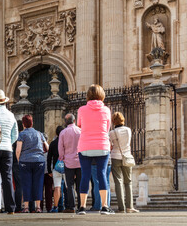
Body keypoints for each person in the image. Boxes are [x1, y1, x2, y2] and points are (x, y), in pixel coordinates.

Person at [76, 84, 114, 215]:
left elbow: (79, 124)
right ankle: (104, 206)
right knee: (102, 175)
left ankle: (81, 207)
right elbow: (107, 127)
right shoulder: (107, 110)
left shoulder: (81, 109)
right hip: (102, 146)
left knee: (85, 176)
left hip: (85, 146)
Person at [16, 115, 48, 213]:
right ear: (32, 123)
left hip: (25, 161)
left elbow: (18, 150)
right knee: (38, 183)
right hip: (39, 161)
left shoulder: (21, 134)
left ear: (23, 124)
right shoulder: (39, 133)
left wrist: (19, 161)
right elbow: (47, 147)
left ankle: (26, 207)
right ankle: (38, 207)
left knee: (26, 184)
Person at [109, 112, 140, 213]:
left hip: (115, 157)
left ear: (113, 121)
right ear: (123, 119)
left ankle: (121, 208)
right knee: (128, 182)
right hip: (127, 156)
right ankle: (130, 207)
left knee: (118, 182)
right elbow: (128, 143)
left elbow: (110, 146)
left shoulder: (111, 133)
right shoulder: (128, 130)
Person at [58, 114, 81, 213]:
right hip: (80, 161)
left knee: (70, 185)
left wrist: (62, 158)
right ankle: (81, 205)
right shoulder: (80, 131)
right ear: (74, 120)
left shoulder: (63, 132)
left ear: (65, 122)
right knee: (80, 185)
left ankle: (72, 207)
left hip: (68, 162)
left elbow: (60, 148)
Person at [47, 126, 65, 213]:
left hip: (56, 167)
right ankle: (67, 205)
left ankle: (56, 207)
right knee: (68, 187)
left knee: (57, 187)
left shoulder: (53, 143)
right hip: (67, 167)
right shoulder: (66, 142)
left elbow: (49, 158)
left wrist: (49, 170)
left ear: (56, 133)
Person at [12, 120, 24, 213]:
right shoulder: (24, 136)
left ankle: (18, 207)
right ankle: (29, 207)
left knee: (18, 186)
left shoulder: (14, 138)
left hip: (15, 163)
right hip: (24, 162)